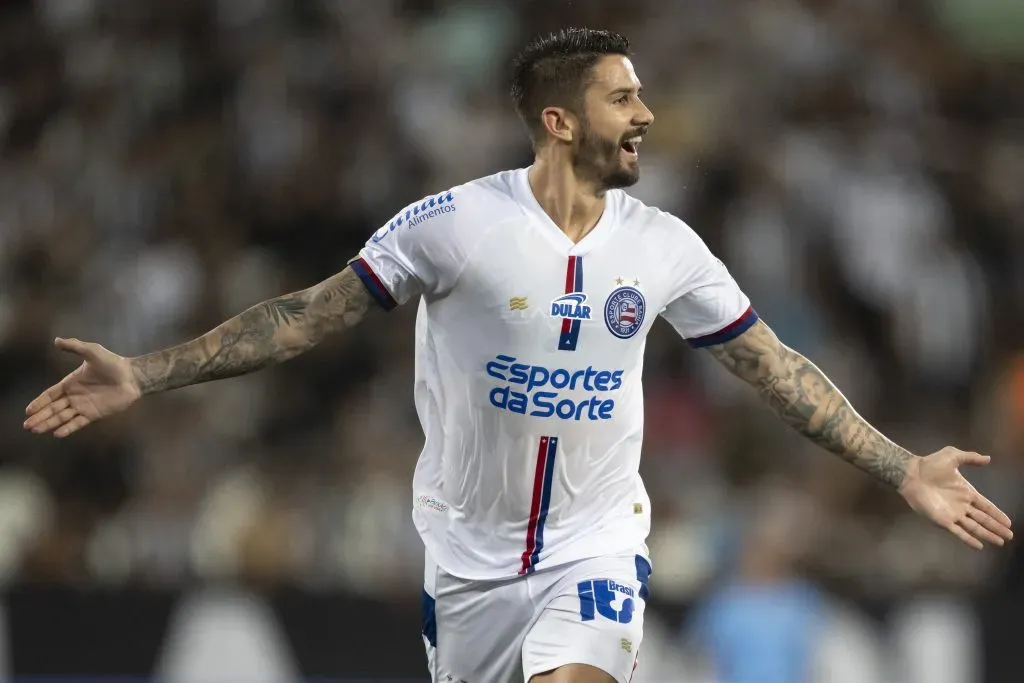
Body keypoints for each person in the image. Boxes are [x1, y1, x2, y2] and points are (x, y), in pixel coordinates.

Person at [23, 27, 1012, 683]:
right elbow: (301, 316)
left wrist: (900, 466)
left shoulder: (664, 245)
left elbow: (773, 366)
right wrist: (148, 372)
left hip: (597, 544)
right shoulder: (451, 226)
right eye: (623, 98)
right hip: (466, 562)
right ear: (559, 119)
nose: (646, 116)